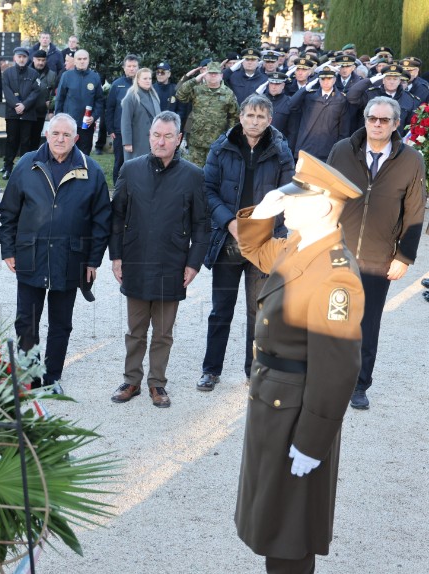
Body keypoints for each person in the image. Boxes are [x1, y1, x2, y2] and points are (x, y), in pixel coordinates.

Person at [234, 152, 365, 574]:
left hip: (294, 412)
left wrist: (312, 442)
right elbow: (252, 245)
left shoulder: (335, 274)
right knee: (273, 516)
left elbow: (338, 370)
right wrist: (263, 211)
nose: (286, 204)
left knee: (291, 527)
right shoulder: (298, 245)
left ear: (325, 207)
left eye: (294, 198)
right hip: (272, 399)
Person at [0, 113, 111, 393]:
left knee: (61, 322)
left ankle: (51, 378)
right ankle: (28, 376)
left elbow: (101, 221)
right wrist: (8, 249)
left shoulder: (91, 170)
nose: (60, 139)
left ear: (76, 138)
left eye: (66, 135)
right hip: (30, 255)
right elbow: (9, 211)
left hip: (70, 258)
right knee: (27, 321)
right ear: (46, 135)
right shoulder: (27, 164)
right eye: (55, 134)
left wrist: (94, 260)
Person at [327, 96, 426, 410]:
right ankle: (328, 380)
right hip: (338, 252)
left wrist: (404, 256)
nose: (378, 124)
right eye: (373, 118)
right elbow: (326, 195)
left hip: (378, 257)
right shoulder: (342, 150)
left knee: (366, 325)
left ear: (396, 124)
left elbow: (414, 211)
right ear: (365, 120)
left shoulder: (411, 160)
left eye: (385, 120)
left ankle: (359, 385)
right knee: (333, 319)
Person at [109, 111, 208, 408]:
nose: (161, 141)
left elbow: (202, 224)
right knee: (135, 330)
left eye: (167, 136)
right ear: (149, 136)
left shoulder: (193, 176)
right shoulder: (130, 170)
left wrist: (193, 263)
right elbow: (116, 217)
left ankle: (157, 384)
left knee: (163, 332)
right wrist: (116, 256)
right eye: (156, 135)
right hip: (136, 260)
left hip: (172, 263)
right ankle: (131, 380)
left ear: (178, 139)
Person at [198, 95, 295, 392]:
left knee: (258, 311)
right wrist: (229, 221)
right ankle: (211, 370)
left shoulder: (280, 150)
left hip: (264, 242)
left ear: (270, 120)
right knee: (221, 309)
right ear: (240, 117)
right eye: (250, 115)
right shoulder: (222, 146)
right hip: (230, 238)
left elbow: (289, 191)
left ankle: (254, 371)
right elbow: (208, 189)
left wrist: (267, 224)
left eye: (261, 117)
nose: (254, 121)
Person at [175, 61, 240, 167]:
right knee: (195, 173)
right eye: (210, 73)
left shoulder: (228, 93)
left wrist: (229, 137)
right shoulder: (197, 90)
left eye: (216, 73)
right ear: (205, 75)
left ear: (221, 75)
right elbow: (180, 94)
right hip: (197, 142)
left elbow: (235, 116)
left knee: (213, 174)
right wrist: (195, 80)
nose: (213, 76)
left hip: (217, 143)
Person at [287, 67, 350, 160]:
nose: (326, 82)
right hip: (306, 147)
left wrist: (337, 151)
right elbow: (291, 104)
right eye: (323, 79)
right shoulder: (309, 96)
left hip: (327, 150)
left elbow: (344, 131)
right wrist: (306, 88)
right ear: (318, 80)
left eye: (329, 78)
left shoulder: (341, 100)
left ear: (334, 80)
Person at [55, 50, 104, 156]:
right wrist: (58, 119)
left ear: (88, 60)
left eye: (85, 59)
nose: (82, 61)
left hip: (86, 124)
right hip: (68, 124)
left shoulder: (95, 77)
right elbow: (60, 99)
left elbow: (99, 100)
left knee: (84, 154)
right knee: (67, 152)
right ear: (75, 61)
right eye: (79, 59)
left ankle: (83, 172)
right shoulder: (66, 76)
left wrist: (94, 117)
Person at [346, 63, 420, 135]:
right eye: (388, 79)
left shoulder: (410, 99)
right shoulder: (371, 94)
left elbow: (410, 126)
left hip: (396, 142)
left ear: (399, 81)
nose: (391, 82)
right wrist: (369, 81)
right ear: (383, 80)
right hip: (371, 138)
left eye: (395, 79)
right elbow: (351, 97)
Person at [1, 47, 40, 179]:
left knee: (25, 142)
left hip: (28, 114)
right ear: (14, 58)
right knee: (11, 140)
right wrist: (16, 105)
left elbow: (35, 92)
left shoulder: (34, 74)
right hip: (12, 113)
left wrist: (24, 105)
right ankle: (8, 167)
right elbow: (6, 91)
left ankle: (25, 168)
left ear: (27, 58)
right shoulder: (7, 73)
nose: (21, 59)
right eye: (19, 56)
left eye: (24, 57)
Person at [105, 55, 139, 183]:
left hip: (138, 130)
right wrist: (110, 129)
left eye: (134, 66)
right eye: (129, 66)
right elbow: (110, 108)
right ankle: (117, 187)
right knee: (120, 161)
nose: (131, 69)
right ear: (124, 68)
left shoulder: (143, 84)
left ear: (138, 68)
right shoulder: (116, 85)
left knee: (137, 160)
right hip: (120, 132)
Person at [120, 67, 161, 162]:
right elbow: (125, 122)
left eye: (150, 78)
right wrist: (127, 143)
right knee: (137, 169)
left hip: (153, 140)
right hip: (137, 141)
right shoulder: (131, 97)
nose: (148, 81)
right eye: (145, 78)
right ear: (137, 80)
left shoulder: (154, 96)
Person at [28, 49, 56, 152]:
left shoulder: (52, 74)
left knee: (36, 137)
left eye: (43, 60)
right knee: (25, 138)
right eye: (38, 60)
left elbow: (54, 93)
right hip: (27, 110)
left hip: (41, 111)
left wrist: (51, 107)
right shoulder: (27, 71)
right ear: (33, 59)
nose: (41, 62)